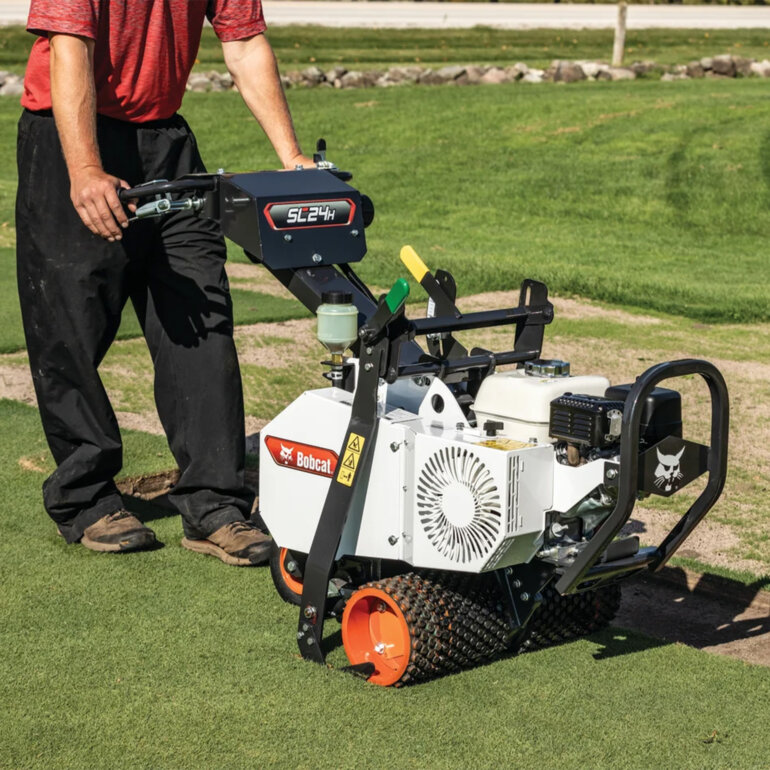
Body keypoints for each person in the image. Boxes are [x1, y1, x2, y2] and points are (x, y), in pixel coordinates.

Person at [16, 0, 312, 564]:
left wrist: (291, 156)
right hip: (71, 134)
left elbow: (244, 42)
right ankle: (86, 498)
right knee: (69, 328)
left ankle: (215, 504)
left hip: (166, 143)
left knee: (200, 315)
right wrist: (83, 170)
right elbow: (69, 45)